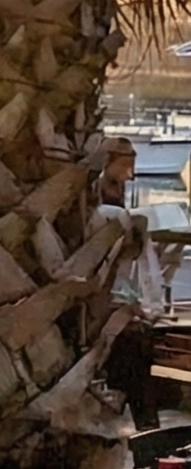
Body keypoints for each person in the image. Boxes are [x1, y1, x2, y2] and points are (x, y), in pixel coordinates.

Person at [96, 137, 165, 427]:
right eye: (124, 165)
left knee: (138, 349)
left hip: (119, 303)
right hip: (101, 303)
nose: (130, 174)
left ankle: (146, 428)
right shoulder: (94, 194)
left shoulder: (117, 191)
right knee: (130, 355)